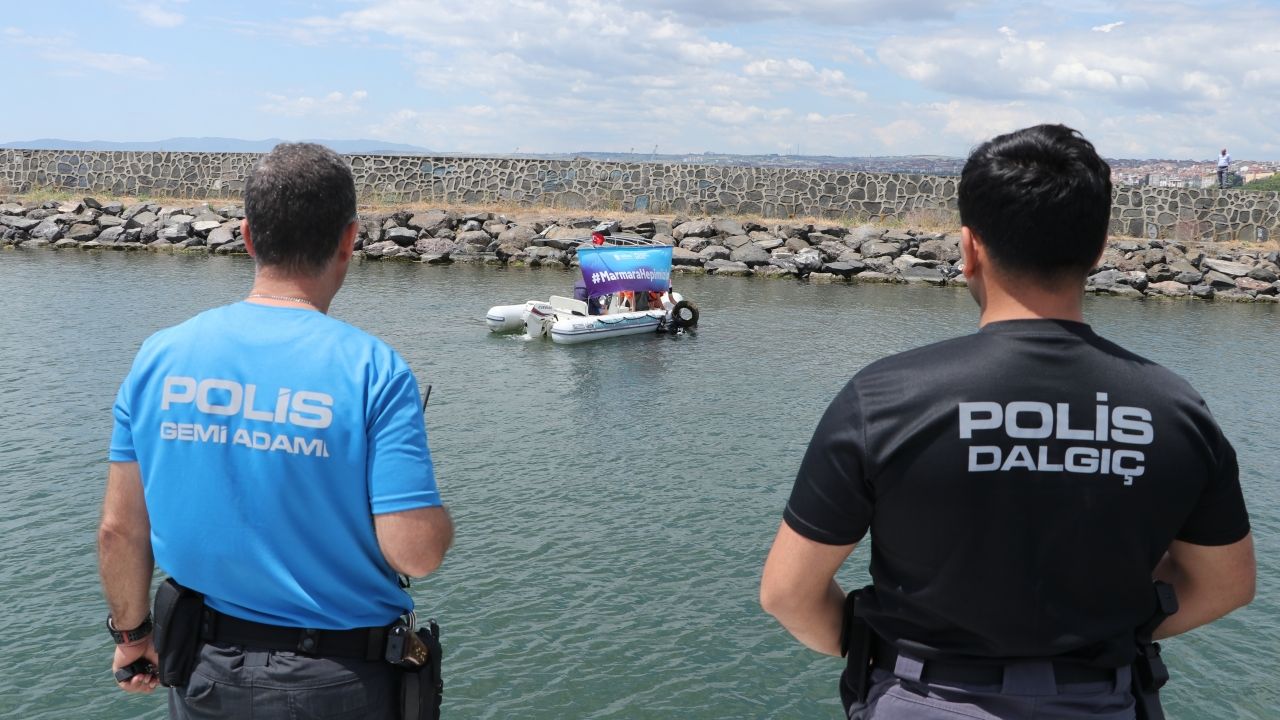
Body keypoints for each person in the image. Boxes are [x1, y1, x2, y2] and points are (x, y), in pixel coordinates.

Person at [760, 124, 1254, 719]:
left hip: (922, 699)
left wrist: (872, 649)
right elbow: (1225, 584)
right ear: (1100, 250)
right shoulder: (1175, 409)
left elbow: (788, 592)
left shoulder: (885, 398)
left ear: (969, 248)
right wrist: (1113, 630)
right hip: (1103, 702)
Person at [98, 142, 454, 718]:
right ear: (349, 239)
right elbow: (415, 553)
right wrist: (435, 518)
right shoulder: (374, 370)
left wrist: (132, 636)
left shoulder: (158, 358)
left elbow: (119, 530)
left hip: (205, 675)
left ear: (247, 237)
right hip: (339, 683)